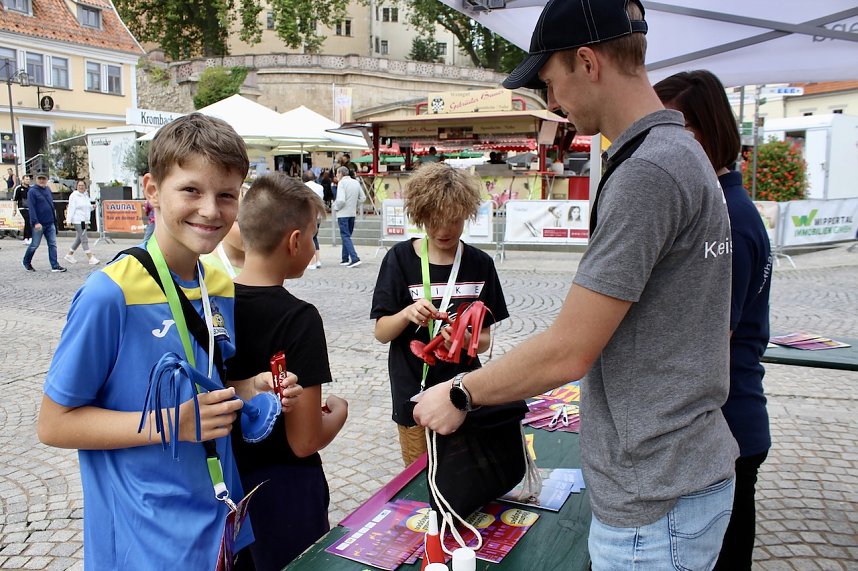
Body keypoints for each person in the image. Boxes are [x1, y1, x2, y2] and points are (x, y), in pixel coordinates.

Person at [412, 2, 738, 569]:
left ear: (586, 62)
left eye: (550, 81)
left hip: (654, 498)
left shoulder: (648, 173)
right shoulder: (679, 153)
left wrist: (461, 391)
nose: (553, 102)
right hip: (680, 476)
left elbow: (569, 349)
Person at [36, 113, 260, 569]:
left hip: (221, 528)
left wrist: (256, 389)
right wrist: (171, 424)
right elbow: (54, 424)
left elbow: (211, 390)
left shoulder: (219, 283)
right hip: (146, 544)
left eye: (226, 196)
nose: (211, 210)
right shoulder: (109, 293)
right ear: (153, 190)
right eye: (191, 190)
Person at [655, 69, 773, 571]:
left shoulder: (729, 217)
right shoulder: (720, 206)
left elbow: (707, 337)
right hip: (724, 422)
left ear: (705, 133)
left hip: (727, 426)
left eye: (673, 133)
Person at [227, 173, 348, 570]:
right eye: (313, 236)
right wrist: (339, 410)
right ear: (295, 241)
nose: (312, 246)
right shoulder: (299, 319)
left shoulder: (211, 305)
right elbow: (304, 440)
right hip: (286, 496)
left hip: (227, 487)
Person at [371, 162, 509, 466]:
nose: (444, 230)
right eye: (434, 221)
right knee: (419, 480)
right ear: (420, 216)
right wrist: (407, 313)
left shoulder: (479, 263)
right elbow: (381, 332)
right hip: (413, 393)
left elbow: (483, 339)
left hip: (464, 393)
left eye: (454, 220)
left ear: (466, 215)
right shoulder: (400, 259)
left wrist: (466, 338)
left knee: (464, 475)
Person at [22, 173, 66, 272]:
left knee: (52, 244)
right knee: (34, 245)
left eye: (44, 179)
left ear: (46, 180)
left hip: (49, 222)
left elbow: (51, 205)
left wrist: (54, 220)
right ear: (37, 180)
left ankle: (55, 265)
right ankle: (26, 261)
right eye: (40, 178)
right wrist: (35, 222)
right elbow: (32, 208)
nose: (42, 180)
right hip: (39, 223)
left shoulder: (47, 189)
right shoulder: (32, 191)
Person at [332, 165, 365, 268]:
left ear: (341, 173)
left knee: (345, 236)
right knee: (347, 236)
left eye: (337, 173)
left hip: (343, 214)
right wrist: (355, 204)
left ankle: (354, 258)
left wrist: (335, 207)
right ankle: (344, 258)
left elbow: (341, 200)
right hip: (352, 213)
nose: (336, 175)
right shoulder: (355, 182)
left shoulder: (342, 183)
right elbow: (363, 197)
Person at [64, 180, 100, 265]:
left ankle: (69, 254)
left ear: (85, 186)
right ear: (77, 186)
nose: (81, 187)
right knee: (84, 238)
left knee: (79, 239)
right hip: (77, 220)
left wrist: (92, 207)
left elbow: (86, 207)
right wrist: (68, 220)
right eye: (79, 185)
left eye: (82, 185)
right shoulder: (74, 196)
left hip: (85, 220)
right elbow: (71, 208)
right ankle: (90, 257)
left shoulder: (85, 195)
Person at [303, 170, 324, 269]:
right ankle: (318, 260)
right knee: (314, 237)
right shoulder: (320, 187)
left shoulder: (303, 187)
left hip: (307, 215)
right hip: (318, 215)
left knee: (308, 237)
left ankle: (312, 261)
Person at [11, 174, 31, 243]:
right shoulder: (19, 188)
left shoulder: (30, 188)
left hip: (30, 208)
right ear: (22, 180)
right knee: (27, 220)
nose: (28, 181)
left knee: (30, 221)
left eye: (28, 179)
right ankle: (26, 238)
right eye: (26, 179)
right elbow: (15, 199)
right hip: (22, 207)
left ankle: (29, 237)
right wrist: (14, 209)